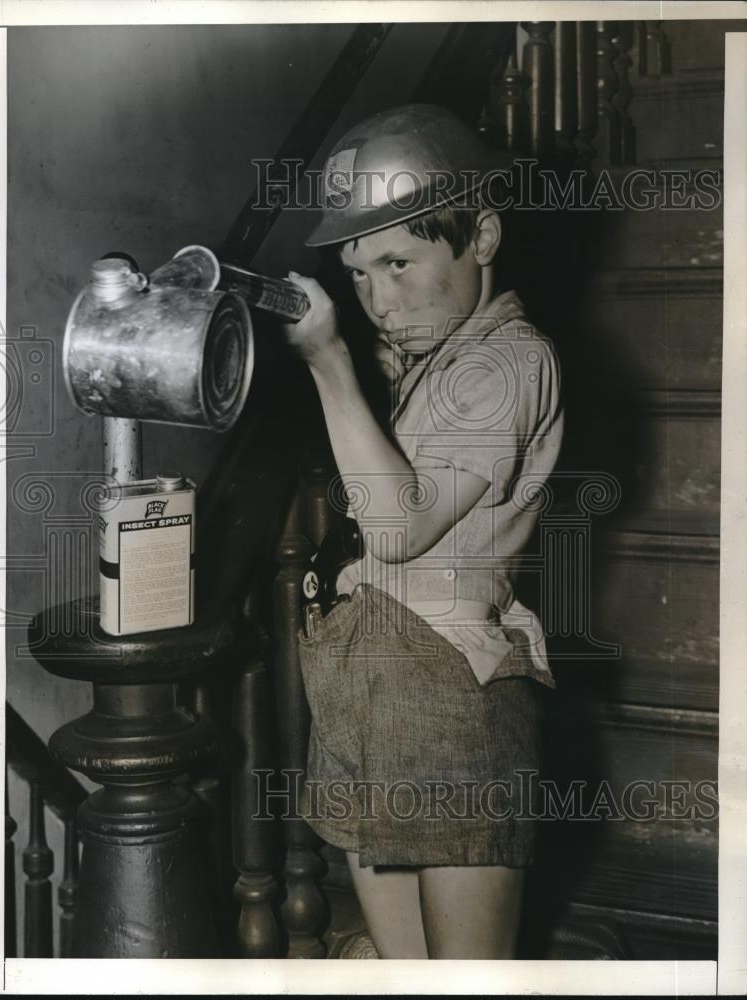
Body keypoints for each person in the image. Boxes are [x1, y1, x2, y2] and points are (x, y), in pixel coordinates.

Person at [283, 104, 563, 959]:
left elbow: (398, 529)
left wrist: (331, 366)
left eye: (399, 263)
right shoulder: (430, 363)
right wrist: (377, 377)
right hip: (371, 691)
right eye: (358, 274)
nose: (377, 299)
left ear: (480, 235)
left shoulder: (511, 360)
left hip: (451, 700)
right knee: (403, 968)